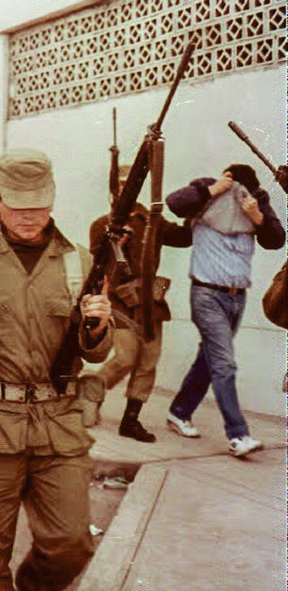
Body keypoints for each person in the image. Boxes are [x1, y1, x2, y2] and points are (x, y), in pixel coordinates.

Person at [0, 148, 113, 591]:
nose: (28, 215)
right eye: (17, 204)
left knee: (71, 543)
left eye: (38, 204)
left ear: (53, 199)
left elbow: (95, 354)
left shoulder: (80, 262)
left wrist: (97, 327)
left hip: (59, 424)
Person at [164, 164, 285, 457]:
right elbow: (174, 203)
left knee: (209, 360)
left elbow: (276, 239)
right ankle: (238, 435)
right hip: (206, 293)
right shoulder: (206, 194)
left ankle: (179, 411)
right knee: (224, 363)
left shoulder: (257, 204)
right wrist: (213, 189)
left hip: (236, 298)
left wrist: (257, 216)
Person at [87, 164, 192, 442]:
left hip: (149, 300)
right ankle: (91, 394)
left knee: (148, 360)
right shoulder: (102, 224)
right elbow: (95, 264)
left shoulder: (152, 220)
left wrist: (198, 206)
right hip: (120, 299)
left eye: (129, 183)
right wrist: (114, 243)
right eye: (120, 184)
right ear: (114, 188)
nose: (124, 188)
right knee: (125, 358)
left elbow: (183, 238)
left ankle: (130, 420)